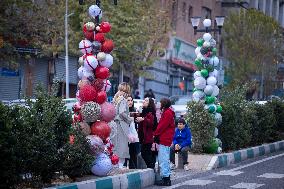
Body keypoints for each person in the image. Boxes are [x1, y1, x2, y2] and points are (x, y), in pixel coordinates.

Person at [153, 98, 175, 186]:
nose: (159, 104)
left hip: (165, 139)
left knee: (163, 159)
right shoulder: (168, 112)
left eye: (161, 102)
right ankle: (166, 178)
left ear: (164, 104)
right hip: (166, 138)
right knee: (164, 158)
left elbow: (162, 126)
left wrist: (155, 134)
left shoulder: (167, 113)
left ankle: (166, 179)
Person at [112, 82, 132, 168]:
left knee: (115, 148)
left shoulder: (116, 99)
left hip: (114, 124)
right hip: (121, 125)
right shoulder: (123, 100)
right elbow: (122, 112)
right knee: (122, 149)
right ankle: (119, 168)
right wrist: (129, 119)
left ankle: (115, 166)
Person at [136, 97, 157, 169]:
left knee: (146, 154)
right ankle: (151, 167)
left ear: (149, 103)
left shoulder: (151, 111)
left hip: (148, 137)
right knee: (145, 153)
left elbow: (151, 122)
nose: (144, 101)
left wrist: (143, 119)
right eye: (144, 100)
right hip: (143, 137)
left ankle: (151, 168)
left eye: (146, 100)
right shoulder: (144, 111)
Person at [124, 96, 140, 169]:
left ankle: (133, 169)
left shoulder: (134, 111)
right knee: (127, 155)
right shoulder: (123, 111)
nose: (130, 102)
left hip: (134, 135)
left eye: (131, 100)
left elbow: (136, 124)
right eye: (128, 100)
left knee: (134, 154)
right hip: (125, 135)